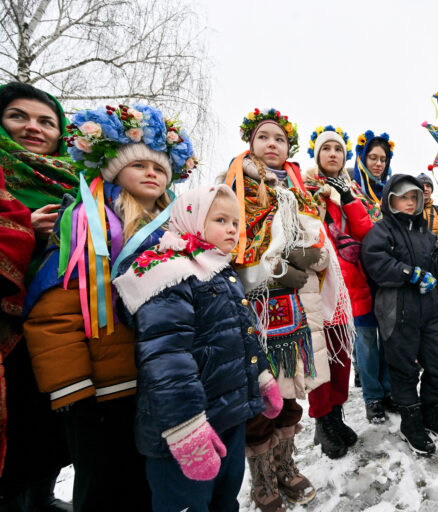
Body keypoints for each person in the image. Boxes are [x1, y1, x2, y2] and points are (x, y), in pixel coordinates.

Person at [23, 103, 196, 511]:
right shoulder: (87, 224)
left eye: (159, 168)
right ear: (113, 171)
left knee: (152, 486)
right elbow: (55, 310)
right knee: (104, 488)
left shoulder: (179, 230)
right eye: (138, 166)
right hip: (103, 390)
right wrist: (72, 390)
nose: (152, 173)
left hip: (163, 383)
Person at [112, 185, 282, 511]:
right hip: (184, 432)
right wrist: (186, 431)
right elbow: (166, 359)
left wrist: (262, 376)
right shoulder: (167, 272)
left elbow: (243, 335)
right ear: (191, 219)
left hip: (228, 415)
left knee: (225, 497)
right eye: (221, 219)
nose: (233, 229)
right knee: (188, 503)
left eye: (236, 222)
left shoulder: (218, 271)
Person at [226, 108, 330, 510]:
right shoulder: (233, 189)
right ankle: (263, 481)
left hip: (298, 314)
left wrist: (311, 259)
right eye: (263, 137)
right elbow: (229, 251)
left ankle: (286, 468)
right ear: (250, 144)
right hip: (255, 315)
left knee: (290, 396)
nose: (272, 144)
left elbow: (322, 254)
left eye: (279, 139)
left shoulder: (302, 193)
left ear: (289, 148)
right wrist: (275, 271)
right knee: (259, 403)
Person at [0, 82, 77, 511]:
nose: (33, 127)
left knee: (48, 424)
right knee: (13, 427)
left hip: (56, 326)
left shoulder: (74, 177)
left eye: (46, 121)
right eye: (19, 116)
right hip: (7, 329)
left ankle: (41, 497)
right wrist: (25, 229)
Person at [361, 174, 438, 455]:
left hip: (429, 311)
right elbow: (376, 262)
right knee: (404, 371)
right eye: (403, 197)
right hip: (398, 312)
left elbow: (437, 266)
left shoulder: (426, 232)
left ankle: (431, 413)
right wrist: (409, 274)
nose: (409, 202)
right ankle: (411, 422)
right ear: (390, 199)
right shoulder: (381, 231)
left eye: (413, 197)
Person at [305, 126, 396, 425]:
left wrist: (348, 198)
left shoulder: (353, 187)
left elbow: (365, 230)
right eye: (326, 149)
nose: (332, 154)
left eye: (337, 150)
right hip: (325, 276)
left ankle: (377, 395)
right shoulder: (306, 184)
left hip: (361, 274)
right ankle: (359, 403)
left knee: (369, 339)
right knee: (356, 342)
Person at [352, 130, 393, 207]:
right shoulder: (350, 191)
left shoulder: (390, 195)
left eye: (383, 160)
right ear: (363, 159)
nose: (379, 164)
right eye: (373, 158)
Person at [417, 173, 438, 249]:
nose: (425, 189)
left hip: (436, 257)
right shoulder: (409, 210)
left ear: (431, 190)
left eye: (428, 186)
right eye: (422, 185)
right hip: (415, 257)